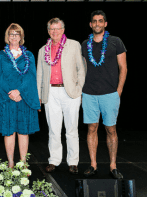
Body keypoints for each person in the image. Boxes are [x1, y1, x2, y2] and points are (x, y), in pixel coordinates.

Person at [37, 18, 86, 174]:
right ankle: (54, 160)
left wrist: (79, 89)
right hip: (51, 93)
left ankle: (73, 162)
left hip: (70, 92)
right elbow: (39, 75)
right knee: (53, 129)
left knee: (71, 129)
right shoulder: (42, 50)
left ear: (63, 30)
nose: (54, 32)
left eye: (57, 29)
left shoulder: (74, 45)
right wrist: (40, 95)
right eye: (52, 29)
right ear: (48, 31)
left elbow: (81, 69)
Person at [81, 10, 127, 179]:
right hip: (89, 93)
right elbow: (82, 69)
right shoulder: (85, 44)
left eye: (101, 21)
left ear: (105, 24)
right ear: (90, 24)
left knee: (110, 129)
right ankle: (93, 165)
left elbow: (124, 67)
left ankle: (113, 166)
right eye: (94, 21)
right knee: (91, 128)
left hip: (110, 94)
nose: (97, 24)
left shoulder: (116, 42)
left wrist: (119, 90)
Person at [0, 23, 40, 168]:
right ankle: (11, 163)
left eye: (16, 34)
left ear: (21, 37)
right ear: (7, 37)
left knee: (23, 131)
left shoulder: (29, 55)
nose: (14, 37)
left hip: (23, 98)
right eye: (11, 34)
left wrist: (19, 91)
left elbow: (31, 76)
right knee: (9, 132)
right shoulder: (0, 55)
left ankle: (23, 163)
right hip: (7, 98)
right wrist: (11, 92)